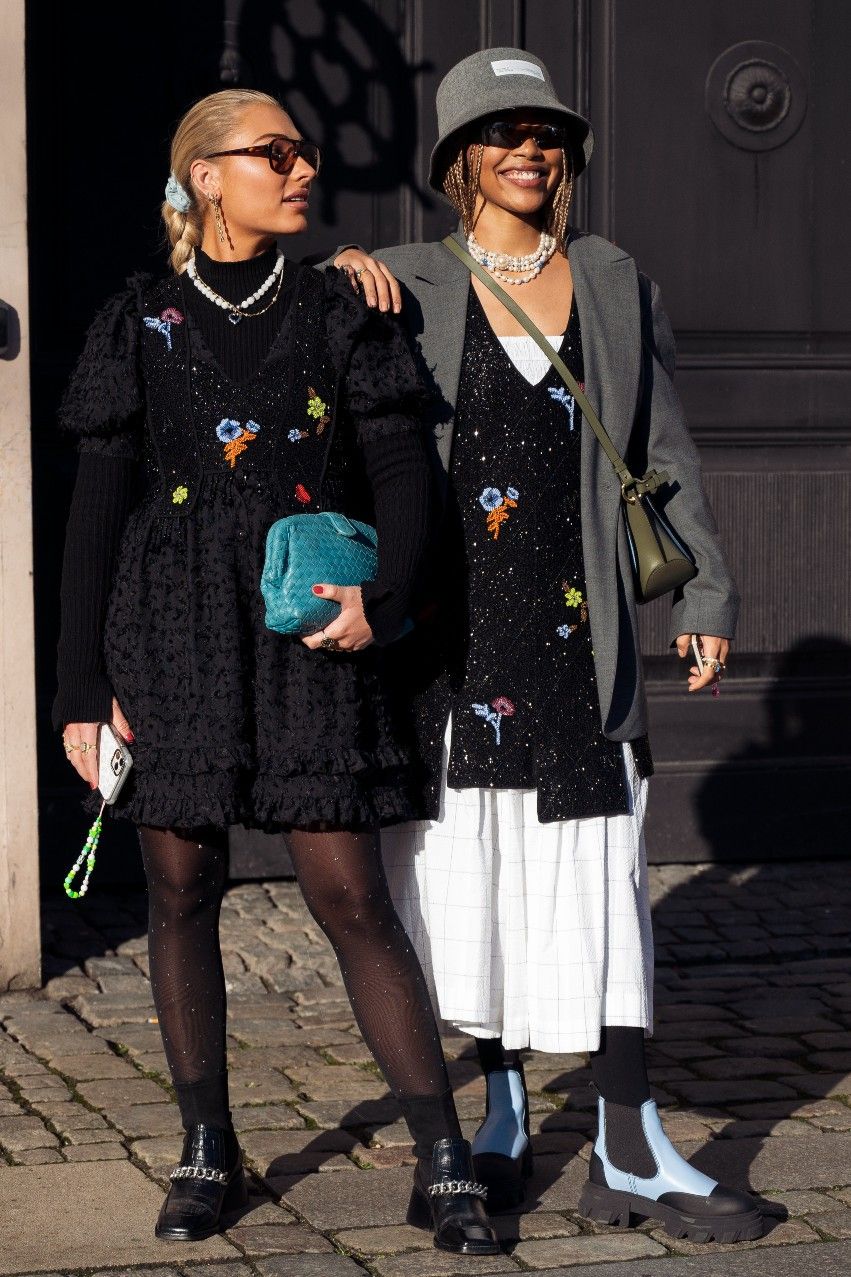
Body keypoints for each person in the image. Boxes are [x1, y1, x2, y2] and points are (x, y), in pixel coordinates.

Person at [55, 88, 499, 1255]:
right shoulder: (136, 320)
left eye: (304, 153)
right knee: (179, 888)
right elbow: (95, 513)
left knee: (349, 892)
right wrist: (78, 693)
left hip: (306, 637)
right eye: (276, 153)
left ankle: (441, 1154)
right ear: (205, 174)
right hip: (170, 633)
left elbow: (403, 473)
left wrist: (379, 597)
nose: (303, 170)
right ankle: (207, 1146)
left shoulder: (343, 306)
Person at [337, 49, 763, 1244]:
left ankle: (627, 1140)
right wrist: (335, 275)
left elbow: (660, 450)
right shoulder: (405, 281)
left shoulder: (614, 279)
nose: (526, 149)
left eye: (544, 133)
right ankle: (503, 1114)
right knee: (474, 878)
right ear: (457, 158)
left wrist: (704, 590)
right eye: (500, 131)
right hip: (452, 642)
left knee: (601, 875)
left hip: (582, 638)